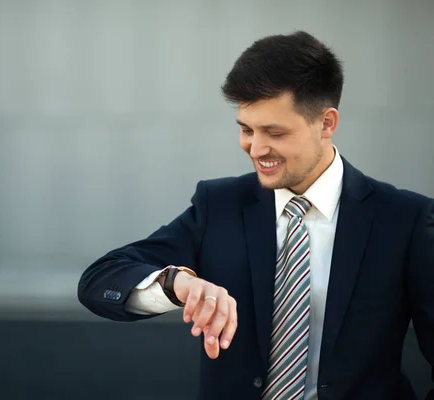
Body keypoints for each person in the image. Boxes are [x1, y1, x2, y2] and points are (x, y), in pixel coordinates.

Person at [77, 31, 434, 400]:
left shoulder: (405, 220)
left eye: (274, 132)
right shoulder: (219, 205)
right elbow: (101, 279)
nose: (256, 148)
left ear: (326, 123)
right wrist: (176, 284)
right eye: (247, 130)